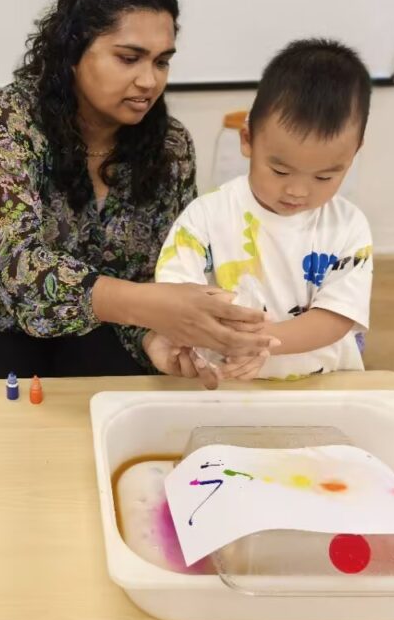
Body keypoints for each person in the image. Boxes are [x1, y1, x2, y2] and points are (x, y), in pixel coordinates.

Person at [0, 0, 275, 381]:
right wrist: (152, 307)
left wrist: (152, 337)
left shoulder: (170, 146)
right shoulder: (7, 121)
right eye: (129, 58)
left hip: (109, 329)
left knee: (127, 413)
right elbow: (14, 271)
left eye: (161, 61)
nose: (149, 81)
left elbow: (157, 271)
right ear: (74, 51)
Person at [154, 38, 373, 380]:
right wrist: (209, 335)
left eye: (324, 177)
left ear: (354, 154)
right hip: (224, 383)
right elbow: (177, 297)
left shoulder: (348, 227)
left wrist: (260, 342)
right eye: (280, 171)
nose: (297, 191)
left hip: (321, 385)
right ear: (248, 139)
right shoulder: (206, 216)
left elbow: (337, 317)